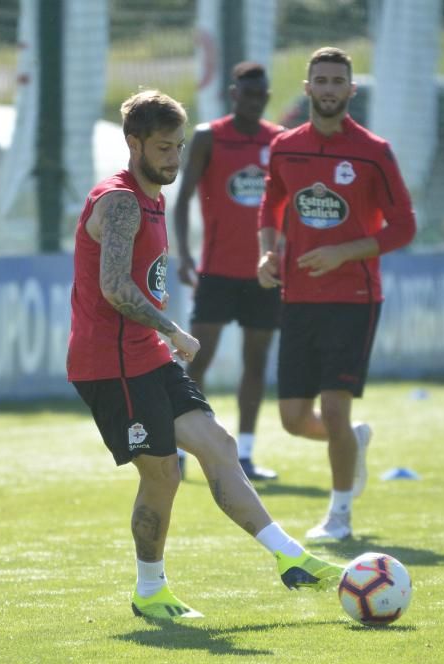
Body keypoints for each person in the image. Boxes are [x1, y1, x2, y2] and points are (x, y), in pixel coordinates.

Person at [67, 90, 342, 620]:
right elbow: (114, 287)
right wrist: (174, 330)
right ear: (134, 143)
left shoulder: (154, 196)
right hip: (112, 363)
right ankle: (150, 591)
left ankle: (291, 559)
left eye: (179, 147)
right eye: (164, 148)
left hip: (144, 353)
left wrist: (163, 337)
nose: (174, 159)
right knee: (163, 474)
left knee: (218, 444)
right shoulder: (120, 202)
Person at [256, 47, 416, 541]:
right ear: (307, 89)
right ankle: (352, 442)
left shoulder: (374, 151)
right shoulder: (285, 147)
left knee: (336, 406)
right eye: (320, 80)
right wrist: (267, 254)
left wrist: (345, 253)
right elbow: (271, 207)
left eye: (336, 81)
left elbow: (404, 227)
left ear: (350, 90)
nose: (328, 89)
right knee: (292, 420)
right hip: (298, 299)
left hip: (354, 300)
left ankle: (340, 515)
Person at [173, 62, 283, 482]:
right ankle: (180, 449)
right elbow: (182, 199)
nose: (254, 100)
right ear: (234, 93)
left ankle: (248, 455)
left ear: (267, 96)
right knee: (198, 359)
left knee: (255, 362)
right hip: (216, 271)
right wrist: (184, 254)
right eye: (247, 92)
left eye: (261, 94)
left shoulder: (280, 141)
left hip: (264, 273)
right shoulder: (209, 137)